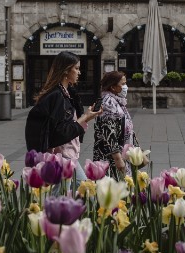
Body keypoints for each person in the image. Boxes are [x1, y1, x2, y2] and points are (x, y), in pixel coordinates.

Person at [25, 51, 101, 184]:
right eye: (76, 68)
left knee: (83, 193)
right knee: (78, 194)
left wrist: (85, 116)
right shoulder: (57, 96)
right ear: (66, 70)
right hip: (61, 159)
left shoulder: (66, 94)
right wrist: (85, 118)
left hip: (68, 157)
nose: (79, 72)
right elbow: (60, 132)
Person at [93, 71, 144, 179]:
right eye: (122, 84)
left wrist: (139, 152)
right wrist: (117, 158)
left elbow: (128, 129)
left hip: (121, 154)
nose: (126, 87)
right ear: (113, 87)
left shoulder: (117, 102)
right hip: (110, 158)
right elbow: (109, 133)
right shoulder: (108, 103)